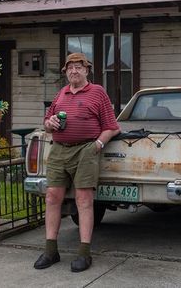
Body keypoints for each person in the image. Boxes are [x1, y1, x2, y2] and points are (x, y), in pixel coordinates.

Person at [34, 53, 120, 272]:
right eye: (70, 68)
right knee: (53, 197)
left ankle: (84, 253)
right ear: (66, 72)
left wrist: (97, 145)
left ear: (87, 71)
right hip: (59, 150)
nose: (74, 71)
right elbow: (47, 122)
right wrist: (49, 123)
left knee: (83, 199)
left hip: (86, 150)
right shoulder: (60, 94)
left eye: (78, 67)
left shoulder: (97, 92)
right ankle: (51, 251)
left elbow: (112, 127)